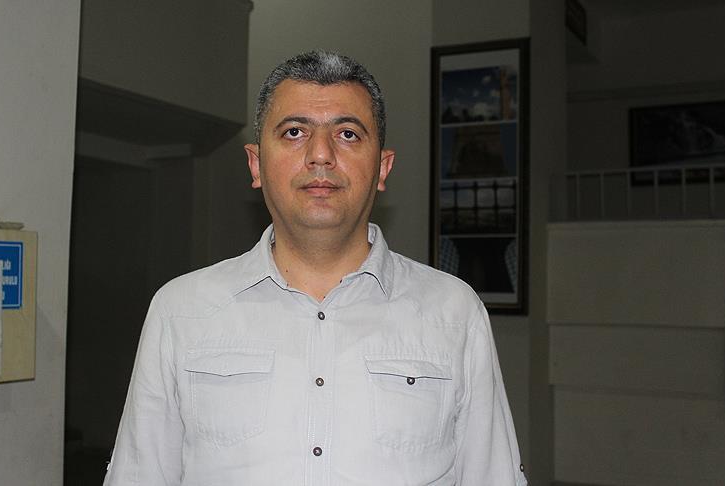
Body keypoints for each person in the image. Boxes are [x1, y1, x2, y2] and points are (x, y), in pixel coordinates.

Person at [104, 50, 527, 486]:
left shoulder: (454, 313)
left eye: (347, 134)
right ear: (256, 164)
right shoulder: (180, 311)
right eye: (294, 132)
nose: (320, 154)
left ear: (382, 168)